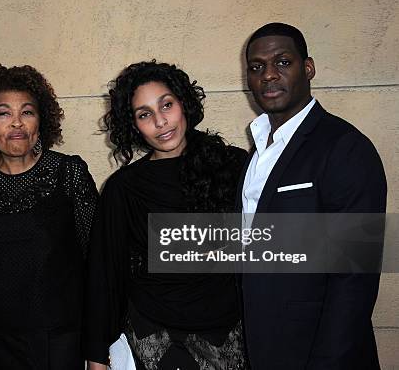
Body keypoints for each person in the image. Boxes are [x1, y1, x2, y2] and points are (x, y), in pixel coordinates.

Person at [238, 23, 387, 369]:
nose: (269, 75)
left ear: (308, 68)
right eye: (257, 67)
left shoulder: (345, 147)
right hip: (264, 348)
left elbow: (354, 277)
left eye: (282, 62)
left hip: (320, 354)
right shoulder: (256, 153)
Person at [85, 61, 248, 370]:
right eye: (145, 114)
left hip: (230, 332)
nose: (160, 122)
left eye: (167, 105)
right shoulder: (124, 188)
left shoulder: (234, 166)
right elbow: (105, 275)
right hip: (156, 335)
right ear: (133, 125)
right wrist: (97, 357)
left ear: (183, 103)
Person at [0, 64, 98, 369]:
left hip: (60, 345)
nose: (16, 122)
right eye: (3, 113)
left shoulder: (69, 174)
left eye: (27, 112)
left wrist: (97, 355)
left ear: (40, 123)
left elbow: (98, 268)